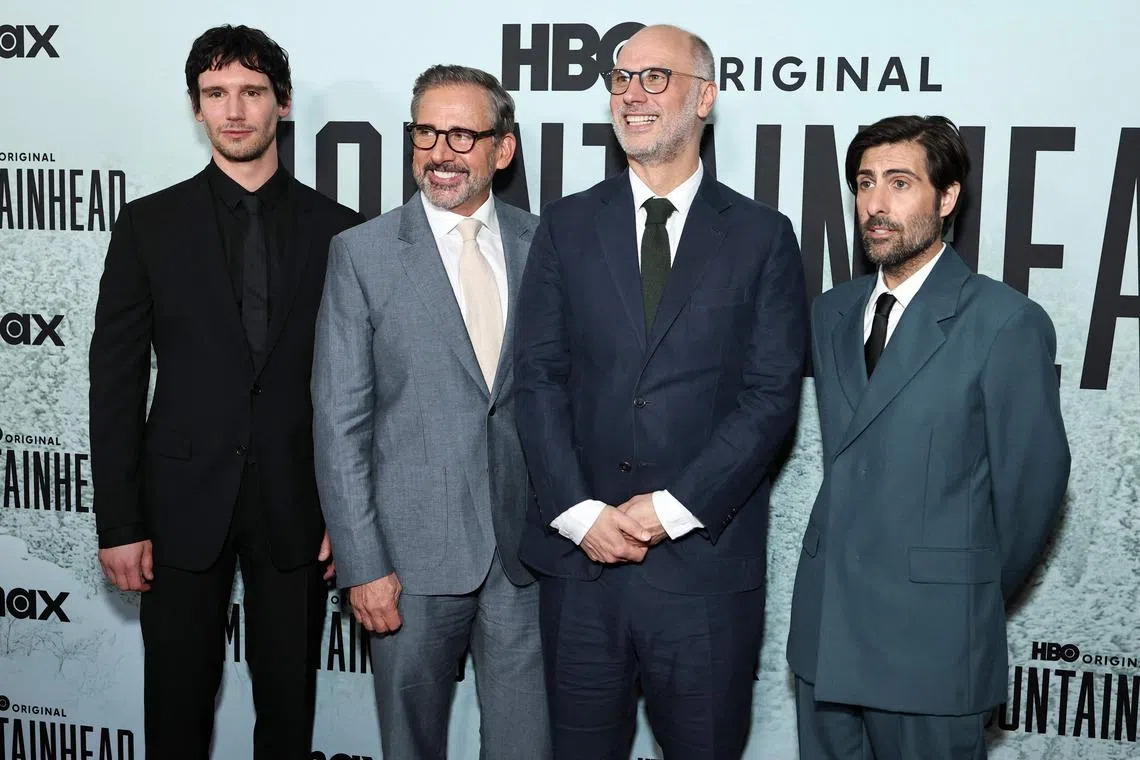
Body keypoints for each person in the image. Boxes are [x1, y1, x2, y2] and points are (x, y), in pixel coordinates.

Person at [513, 24, 808, 760]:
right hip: (581, 571)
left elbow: (771, 398)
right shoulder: (567, 223)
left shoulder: (763, 236)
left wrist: (668, 511)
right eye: (620, 79)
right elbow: (538, 377)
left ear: (704, 97)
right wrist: (581, 514)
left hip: (704, 573)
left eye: (654, 78)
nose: (631, 95)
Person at [89, 24, 362, 759]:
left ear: (284, 104)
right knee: (175, 707)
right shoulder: (149, 224)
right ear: (196, 107)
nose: (234, 110)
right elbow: (113, 380)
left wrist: (348, 508)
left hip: (297, 505)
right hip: (176, 505)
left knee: (289, 708)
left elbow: (360, 387)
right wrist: (118, 520)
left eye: (250, 92)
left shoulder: (341, 232)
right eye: (216, 94)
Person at [786, 115, 1070, 760]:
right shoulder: (833, 312)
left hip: (932, 644)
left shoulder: (1005, 322)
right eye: (864, 184)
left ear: (947, 198)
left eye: (900, 183)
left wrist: (955, 589)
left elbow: (1031, 493)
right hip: (827, 634)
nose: (876, 205)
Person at [312, 64, 550, 760]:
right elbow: (339, 422)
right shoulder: (362, 255)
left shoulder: (548, 246)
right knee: (409, 747)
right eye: (426, 132)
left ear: (502, 149)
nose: (440, 151)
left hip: (525, 560)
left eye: (462, 134)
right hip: (406, 565)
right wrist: (363, 564)